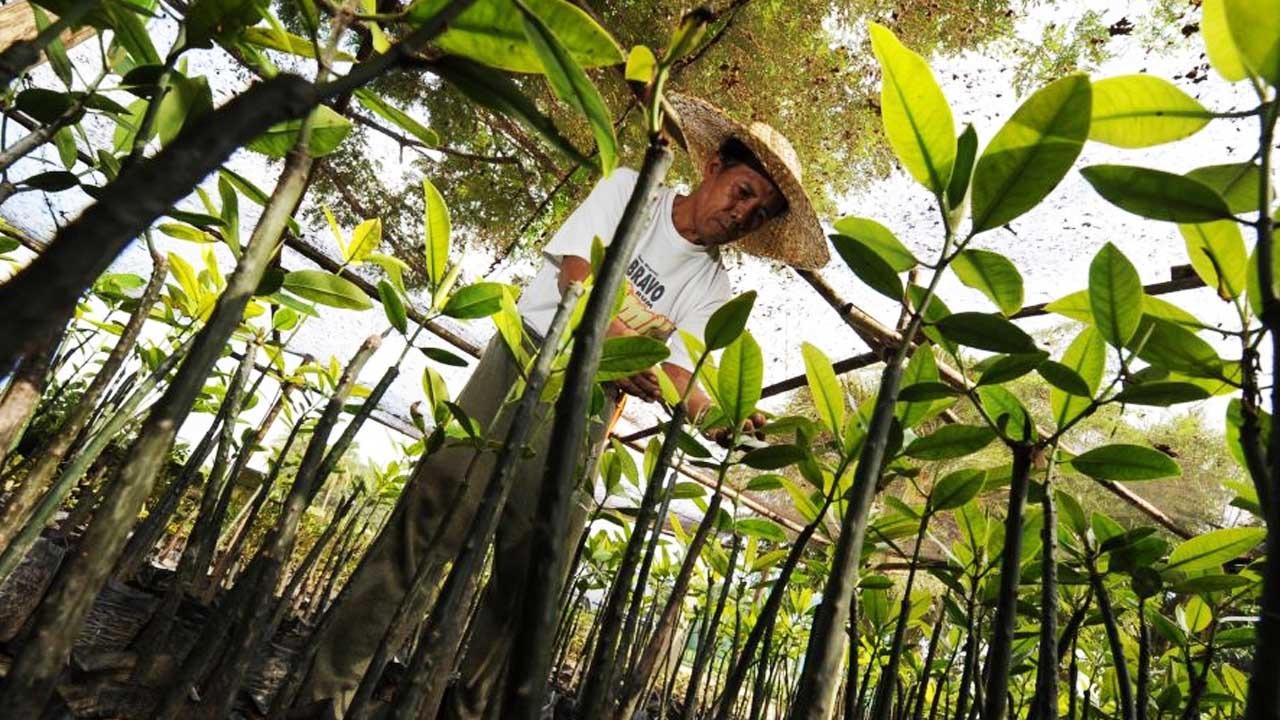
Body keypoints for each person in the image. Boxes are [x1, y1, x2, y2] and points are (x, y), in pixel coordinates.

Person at [296, 94, 829, 719]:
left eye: (758, 213)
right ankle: (325, 700)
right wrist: (633, 355)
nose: (741, 215)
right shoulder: (632, 191)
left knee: (533, 570)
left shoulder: (713, 287)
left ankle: (466, 711)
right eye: (742, 192)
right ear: (712, 167)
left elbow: (679, 377)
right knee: (431, 514)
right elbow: (577, 278)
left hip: (589, 404)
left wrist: (719, 416)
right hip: (523, 360)